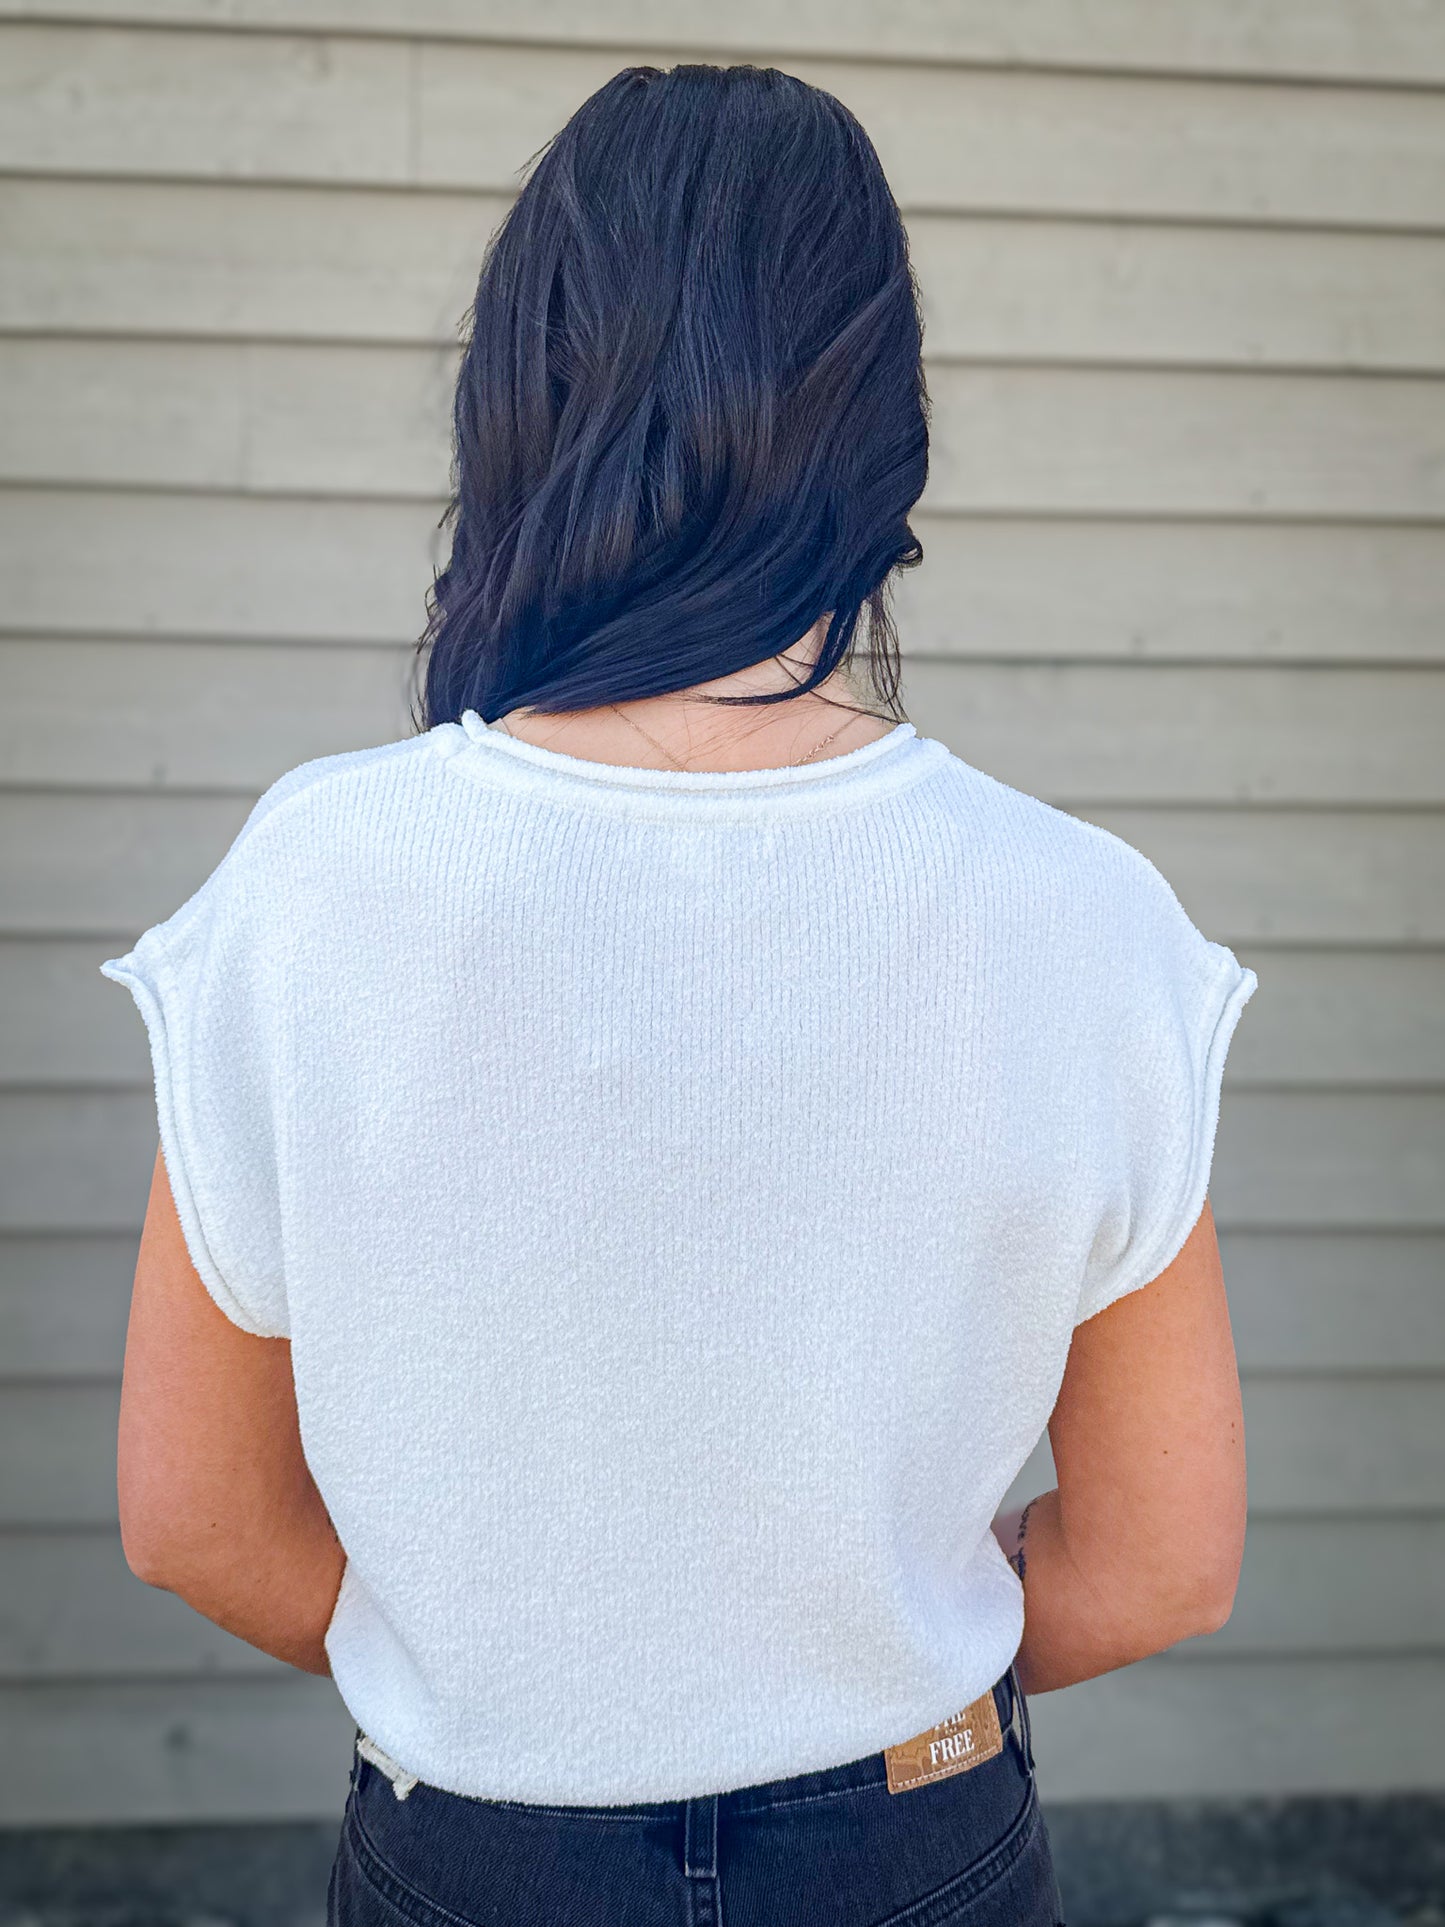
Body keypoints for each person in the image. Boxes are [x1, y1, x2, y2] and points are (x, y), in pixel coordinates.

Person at [102, 63, 1256, 1927]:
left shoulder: (315, 886)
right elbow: (1159, 1565)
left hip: (471, 1845)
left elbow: (193, 1517)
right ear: (883, 419)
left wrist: (529, 1696)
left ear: (522, 391)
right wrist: (834, 1658)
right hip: (914, 1836)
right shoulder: (1079, 914)